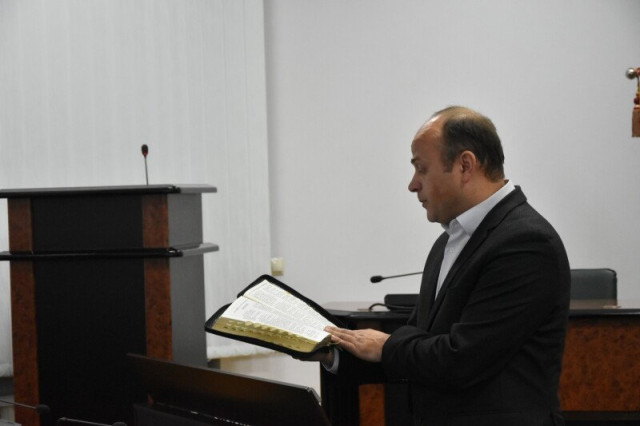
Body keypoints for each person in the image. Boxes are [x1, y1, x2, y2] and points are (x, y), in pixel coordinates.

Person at [319, 106, 570, 425]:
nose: (413, 184)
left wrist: (386, 345)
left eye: (421, 169)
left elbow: (462, 358)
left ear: (465, 165)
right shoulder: (449, 240)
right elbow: (419, 345)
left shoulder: (526, 242)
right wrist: (331, 353)